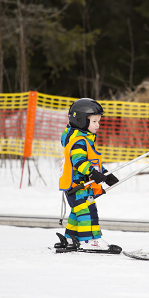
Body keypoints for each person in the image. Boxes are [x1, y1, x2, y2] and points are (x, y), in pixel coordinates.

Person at [59, 98, 119, 250]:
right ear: (80, 121)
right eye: (94, 121)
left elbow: (91, 162)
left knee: (77, 212)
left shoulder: (83, 139)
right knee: (87, 212)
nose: (98, 125)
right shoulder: (78, 141)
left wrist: (105, 174)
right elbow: (79, 162)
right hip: (78, 186)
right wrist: (93, 174)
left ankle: (70, 238)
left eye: (98, 121)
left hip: (80, 186)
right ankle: (90, 240)